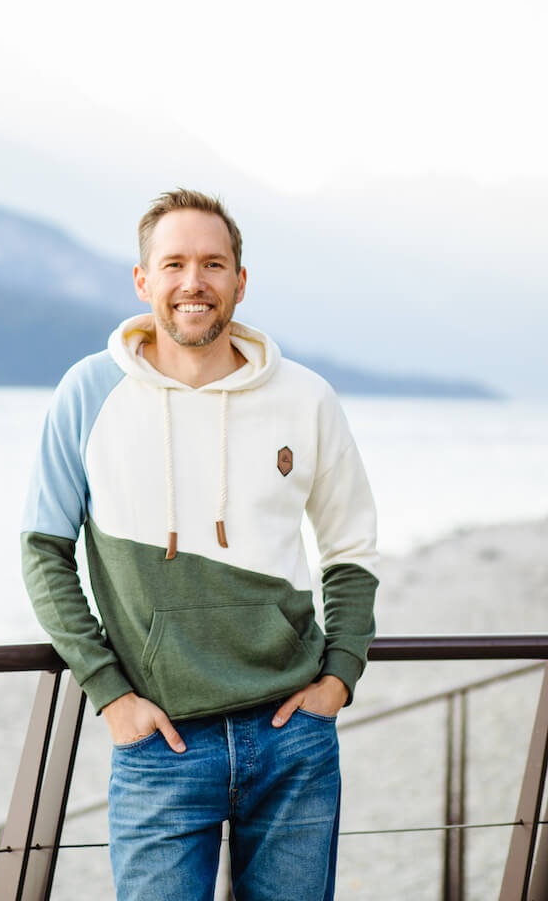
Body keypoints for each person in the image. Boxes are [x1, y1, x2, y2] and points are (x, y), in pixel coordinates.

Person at [21, 188, 379, 900]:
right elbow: (43, 551)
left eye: (213, 264)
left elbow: (350, 547)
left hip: (292, 743)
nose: (194, 282)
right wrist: (110, 691)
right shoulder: (89, 394)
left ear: (239, 283)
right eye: (175, 263)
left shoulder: (306, 398)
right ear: (143, 280)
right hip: (161, 745)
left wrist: (339, 675)